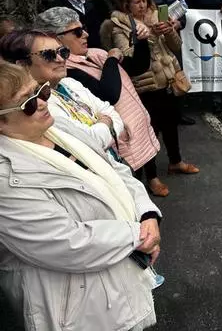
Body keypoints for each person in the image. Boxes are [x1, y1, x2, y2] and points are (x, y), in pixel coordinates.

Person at [0, 61, 161, 331]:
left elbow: (115, 169)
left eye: (41, 92)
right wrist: (139, 236)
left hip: (119, 274)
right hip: (75, 307)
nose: (42, 102)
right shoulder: (6, 179)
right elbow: (64, 242)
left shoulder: (58, 127)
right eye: (28, 102)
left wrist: (147, 215)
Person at [35, 7, 170, 196]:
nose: (86, 34)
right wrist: (112, 60)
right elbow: (109, 94)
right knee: (129, 192)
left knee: (137, 192)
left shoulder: (94, 53)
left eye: (83, 28)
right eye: (77, 31)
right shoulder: (66, 71)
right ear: (54, 38)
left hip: (132, 131)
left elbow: (137, 67)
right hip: (120, 143)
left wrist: (140, 42)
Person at [103, 0, 199, 178]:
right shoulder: (118, 26)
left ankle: (176, 162)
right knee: (149, 132)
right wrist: (148, 37)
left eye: (144, 1)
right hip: (146, 85)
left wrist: (169, 31)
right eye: (137, 2)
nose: (142, 6)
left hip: (169, 80)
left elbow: (176, 47)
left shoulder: (157, 16)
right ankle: (152, 177)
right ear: (125, 5)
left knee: (171, 124)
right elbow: (129, 57)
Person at [0, 30, 124, 157]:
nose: (60, 59)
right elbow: (90, 143)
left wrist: (102, 127)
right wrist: (105, 122)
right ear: (22, 64)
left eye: (63, 52)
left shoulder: (70, 83)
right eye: (48, 55)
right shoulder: (35, 105)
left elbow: (114, 114)